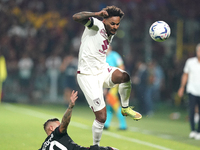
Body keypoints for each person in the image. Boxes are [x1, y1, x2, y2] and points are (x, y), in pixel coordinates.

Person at [72, 5, 142, 145]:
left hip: (102, 70)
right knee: (102, 117)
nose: (115, 27)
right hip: (87, 75)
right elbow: (76, 17)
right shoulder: (96, 25)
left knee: (124, 76)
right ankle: (95, 146)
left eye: (117, 24)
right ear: (104, 21)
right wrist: (96, 13)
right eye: (112, 24)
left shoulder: (110, 32)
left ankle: (125, 108)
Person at [39, 90, 118, 150]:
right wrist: (70, 107)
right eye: (58, 125)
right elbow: (64, 123)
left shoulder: (43, 147)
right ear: (51, 128)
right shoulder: (56, 133)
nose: (60, 126)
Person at [177, 43, 200, 140]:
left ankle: (199, 131)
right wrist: (182, 87)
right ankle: (192, 130)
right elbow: (185, 75)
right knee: (191, 110)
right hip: (192, 89)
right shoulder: (190, 62)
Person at [104, 45, 127, 130]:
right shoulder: (103, 57)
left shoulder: (115, 55)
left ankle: (123, 124)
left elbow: (121, 67)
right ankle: (106, 124)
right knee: (109, 103)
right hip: (107, 83)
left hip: (114, 82)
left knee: (113, 101)